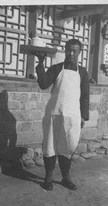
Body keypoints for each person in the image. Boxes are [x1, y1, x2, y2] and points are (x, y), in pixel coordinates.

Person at [35, 39, 89, 191]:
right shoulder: (57, 68)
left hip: (72, 116)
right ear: (65, 50)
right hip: (54, 113)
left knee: (69, 146)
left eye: (75, 51)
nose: (71, 53)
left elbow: (85, 96)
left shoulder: (83, 72)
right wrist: (40, 65)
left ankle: (66, 178)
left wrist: (84, 116)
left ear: (79, 53)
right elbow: (43, 84)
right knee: (49, 145)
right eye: (69, 50)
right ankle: (48, 178)